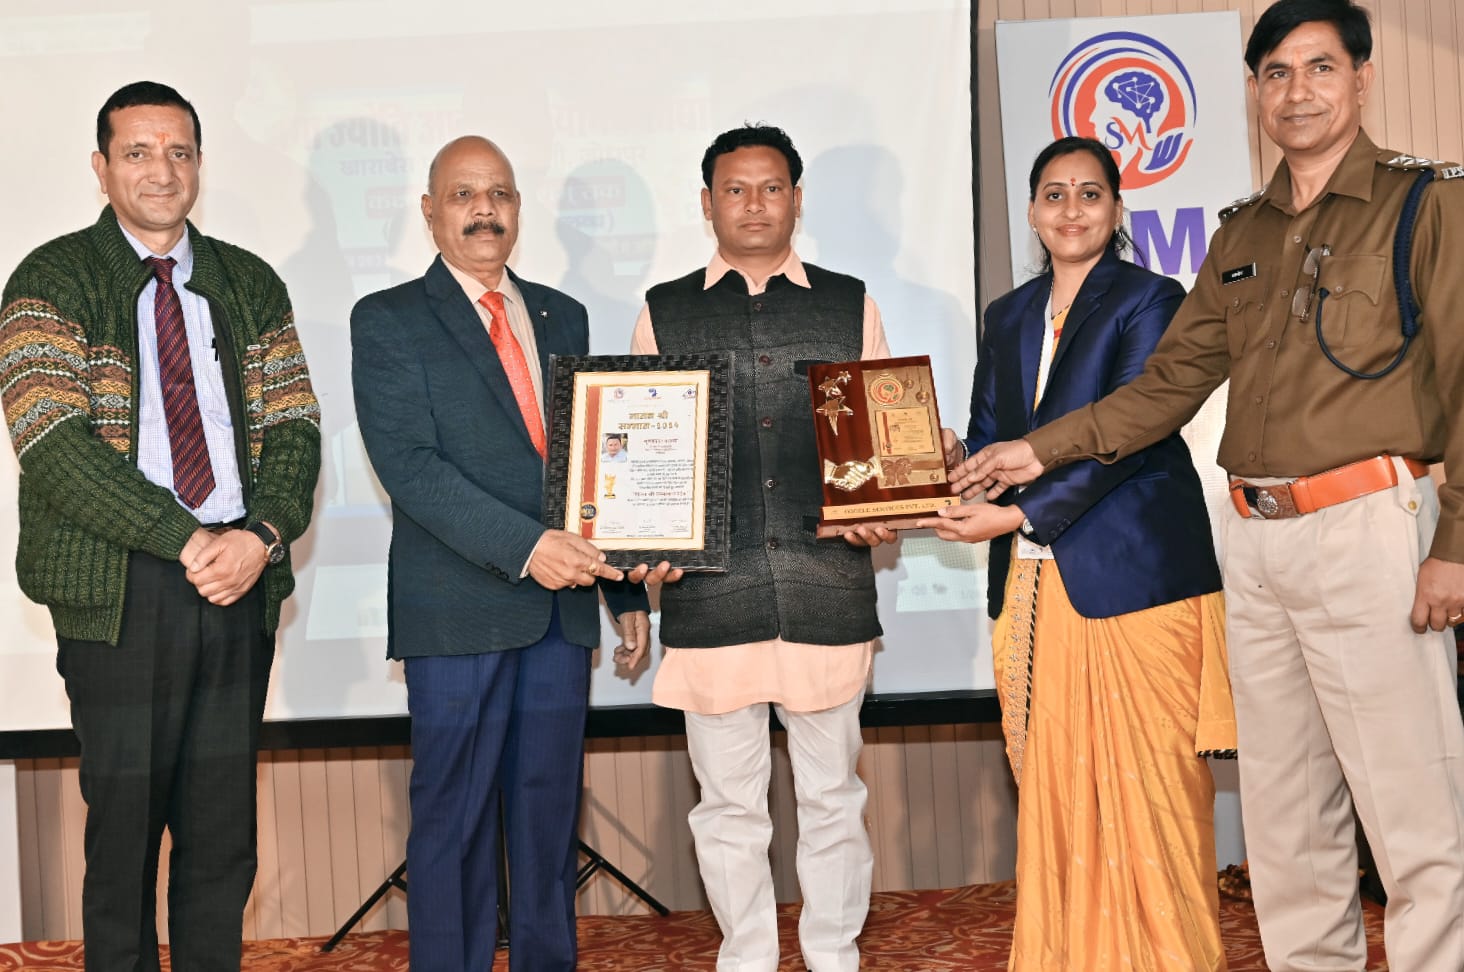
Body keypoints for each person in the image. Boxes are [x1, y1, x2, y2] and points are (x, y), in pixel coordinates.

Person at [958, 2, 1464, 968]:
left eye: (1320, 68)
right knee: (1285, 815)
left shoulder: (1426, 204)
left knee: (1412, 810)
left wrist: (1457, 545)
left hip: (1370, 526)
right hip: (1256, 546)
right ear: (1256, 92)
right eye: (1276, 73)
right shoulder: (1241, 234)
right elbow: (1165, 388)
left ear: (1362, 79)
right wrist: (1038, 451)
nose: (1297, 91)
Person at [0, 81, 321, 970]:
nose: (161, 170)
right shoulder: (50, 280)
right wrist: (187, 539)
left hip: (238, 577)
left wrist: (261, 537)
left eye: (179, 152)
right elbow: (53, 443)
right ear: (100, 167)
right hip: (120, 587)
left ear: (200, 165)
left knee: (222, 837)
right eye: (137, 152)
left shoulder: (249, 282)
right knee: (126, 834)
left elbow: (297, 427)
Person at [914, 136, 1233, 970]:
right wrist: (948, 462)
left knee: (1154, 793)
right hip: (1033, 588)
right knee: (1059, 795)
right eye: (1054, 194)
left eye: (1090, 193)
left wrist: (1019, 515)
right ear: (1031, 211)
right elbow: (996, 435)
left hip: (1135, 577)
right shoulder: (1008, 314)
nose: (1072, 209)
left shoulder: (1151, 298)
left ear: (1117, 209)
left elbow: (1133, 430)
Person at [350, 135, 658, 972]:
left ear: (518, 209)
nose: (484, 210)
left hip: (562, 614)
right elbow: (410, 466)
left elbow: (597, 466)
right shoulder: (387, 318)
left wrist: (624, 592)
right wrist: (528, 548)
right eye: (463, 195)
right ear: (429, 211)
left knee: (548, 819)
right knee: (451, 824)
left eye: (500, 194)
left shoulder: (564, 314)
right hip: (456, 612)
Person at [626, 124, 884, 972]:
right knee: (728, 808)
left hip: (825, 590)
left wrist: (889, 499)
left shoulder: (849, 303)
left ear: (796, 200)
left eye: (771, 188)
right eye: (735, 190)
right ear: (707, 204)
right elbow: (639, 452)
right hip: (712, 596)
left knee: (833, 798)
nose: (754, 205)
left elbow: (878, 448)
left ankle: (834, 956)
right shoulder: (665, 309)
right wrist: (641, 542)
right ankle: (746, 959)